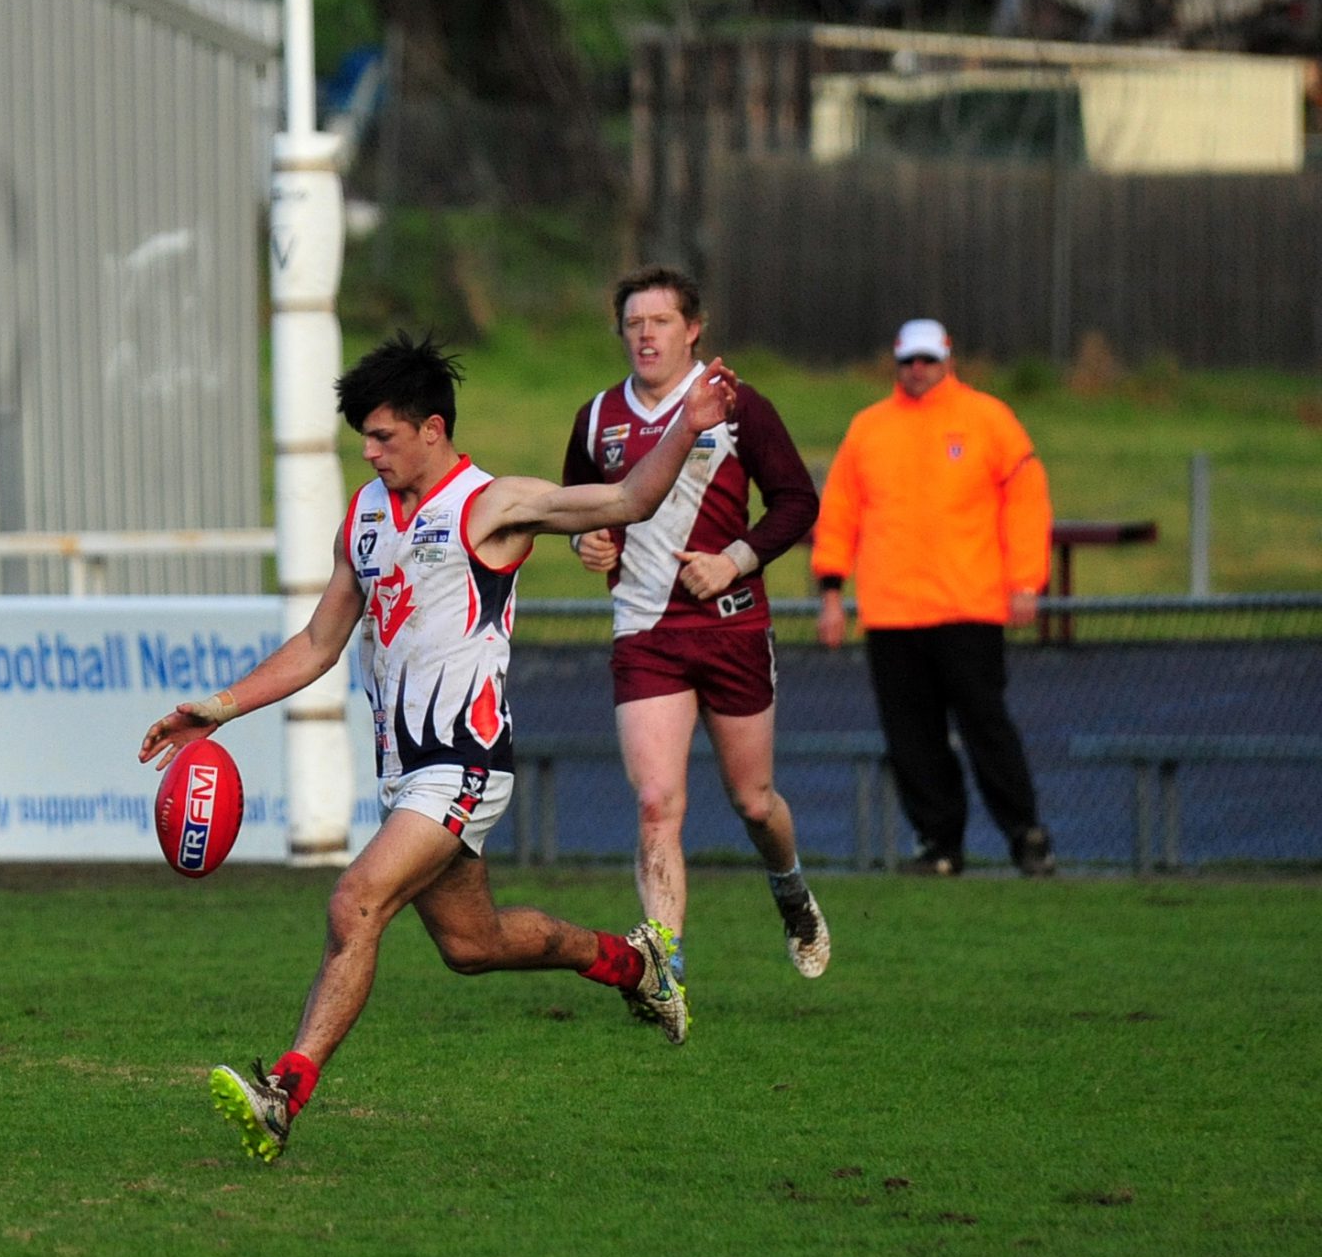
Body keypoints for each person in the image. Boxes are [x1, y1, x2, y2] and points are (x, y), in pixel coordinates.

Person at [145, 333, 735, 1164]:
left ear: (432, 428)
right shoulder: (366, 517)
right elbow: (317, 642)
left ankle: (284, 1092)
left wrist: (689, 424)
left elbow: (628, 500)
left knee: (355, 902)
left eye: (383, 435)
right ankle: (632, 965)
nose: (370, 451)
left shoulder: (491, 505)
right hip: (406, 772)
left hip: (466, 761)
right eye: (364, 437)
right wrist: (216, 709)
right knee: (472, 945)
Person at [564, 267, 828, 981]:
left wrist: (734, 560)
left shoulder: (736, 405)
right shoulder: (598, 418)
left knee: (754, 801)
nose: (645, 335)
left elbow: (797, 502)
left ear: (692, 329)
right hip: (646, 633)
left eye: (660, 321)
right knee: (656, 803)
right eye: (633, 323)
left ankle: (791, 890)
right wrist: (587, 541)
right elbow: (575, 507)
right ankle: (664, 967)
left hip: (731, 628)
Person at [813, 318, 1055, 877]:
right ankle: (939, 844)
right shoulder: (869, 429)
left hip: (968, 607)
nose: (917, 370)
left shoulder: (988, 419)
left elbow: (1027, 502)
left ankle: (1026, 835)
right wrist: (831, 591)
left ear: (948, 360)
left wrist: (1025, 581)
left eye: (927, 360)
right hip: (892, 613)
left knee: (986, 728)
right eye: (908, 361)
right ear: (896, 364)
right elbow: (839, 515)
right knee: (912, 740)